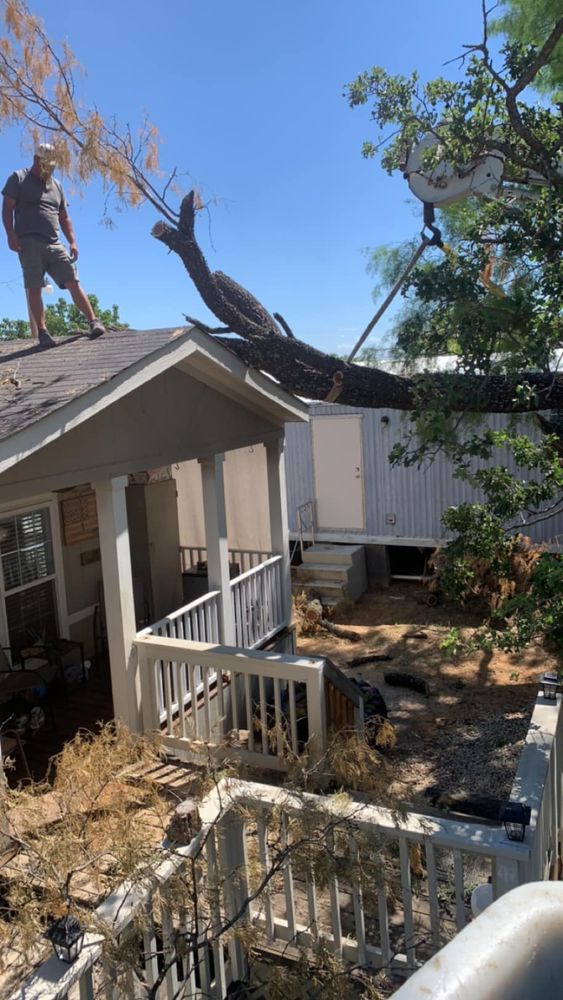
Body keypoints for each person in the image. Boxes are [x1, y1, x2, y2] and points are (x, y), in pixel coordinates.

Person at [2, 142, 106, 349]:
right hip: (28, 241)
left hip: (54, 242)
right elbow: (7, 209)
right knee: (34, 286)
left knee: (73, 281)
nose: (47, 169)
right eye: (44, 164)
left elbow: (64, 216)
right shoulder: (18, 178)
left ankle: (93, 321)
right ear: (36, 159)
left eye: (51, 166)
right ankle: (43, 332)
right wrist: (10, 235)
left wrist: (73, 241)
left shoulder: (56, 185)